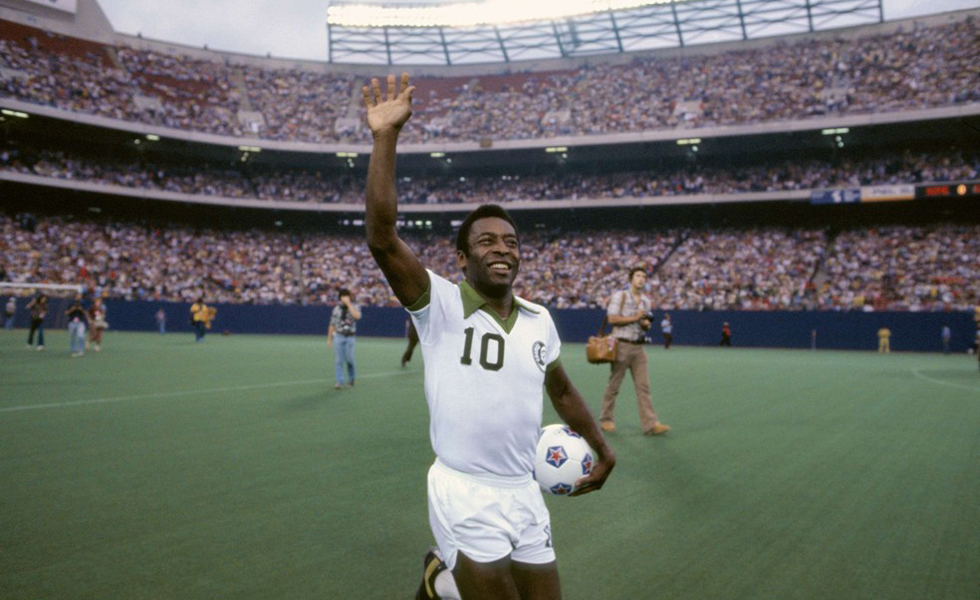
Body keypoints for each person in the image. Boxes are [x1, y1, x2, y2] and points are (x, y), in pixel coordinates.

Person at [363, 72, 615, 600]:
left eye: (511, 241)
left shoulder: (538, 319)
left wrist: (599, 445)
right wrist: (386, 136)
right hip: (464, 490)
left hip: (524, 491)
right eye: (487, 241)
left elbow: (562, 390)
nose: (502, 249)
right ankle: (449, 577)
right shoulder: (440, 304)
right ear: (462, 257)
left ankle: (442, 581)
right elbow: (383, 240)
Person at [600, 267, 670, 436]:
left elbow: (643, 322)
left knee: (643, 387)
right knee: (614, 385)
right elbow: (612, 319)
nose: (641, 279)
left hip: (638, 347)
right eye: (638, 276)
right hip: (622, 344)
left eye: (644, 277)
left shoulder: (646, 301)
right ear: (631, 278)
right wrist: (636, 318)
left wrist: (645, 324)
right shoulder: (620, 296)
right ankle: (606, 419)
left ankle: (651, 424)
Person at [327, 288, 361, 389]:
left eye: (346, 296)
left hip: (350, 336)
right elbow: (332, 324)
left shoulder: (355, 307)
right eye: (343, 296)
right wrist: (329, 339)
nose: (345, 298)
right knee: (338, 361)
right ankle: (339, 381)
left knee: (350, 359)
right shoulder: (336, 309)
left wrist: (349, 304)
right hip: (339, 336)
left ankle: (351, 378)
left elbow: (357, 316)